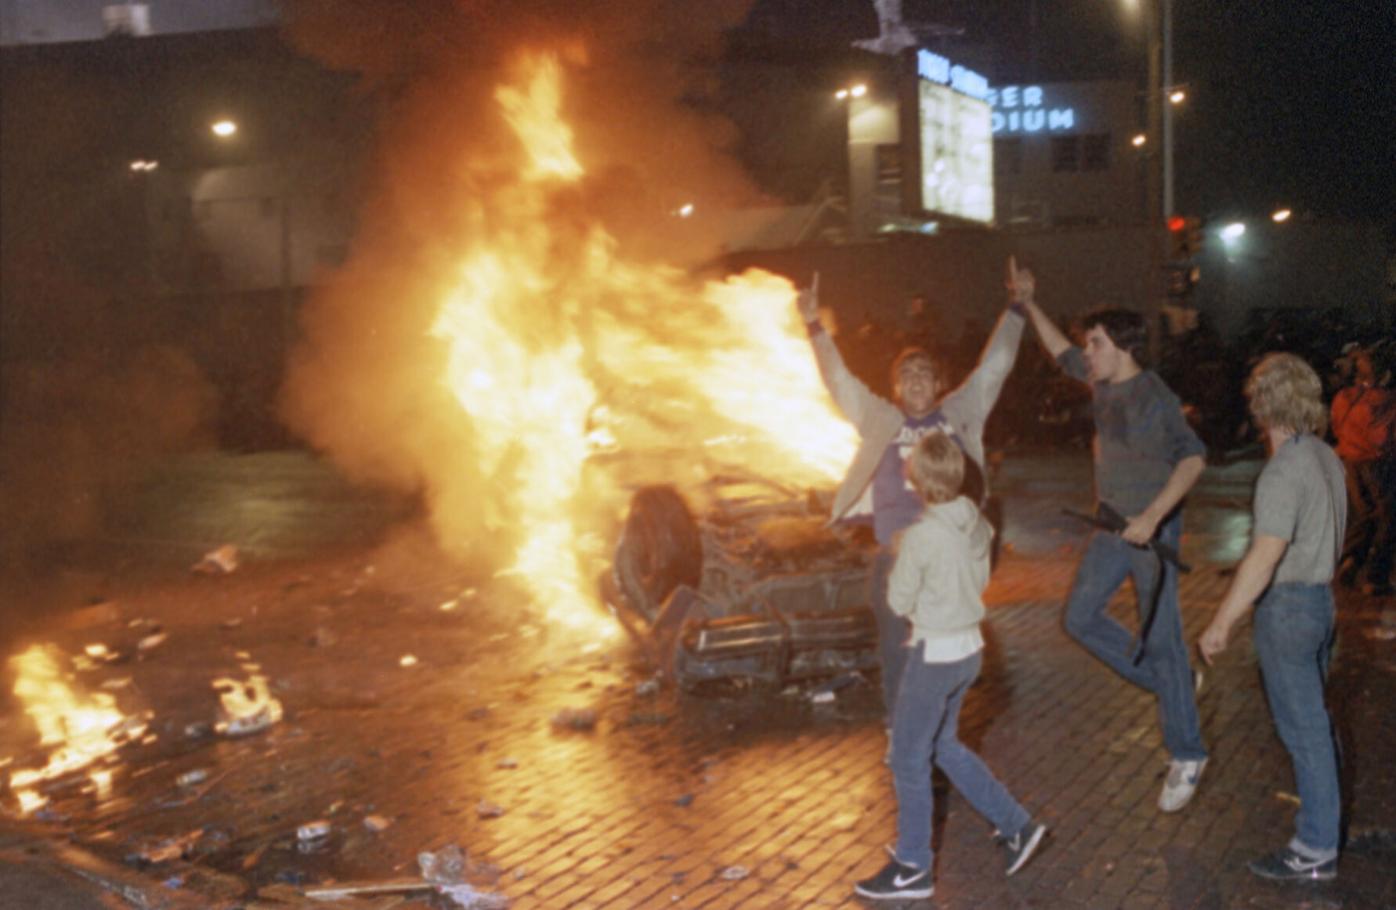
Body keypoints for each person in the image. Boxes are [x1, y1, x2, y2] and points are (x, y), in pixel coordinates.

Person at [796, 262, 1029, 723]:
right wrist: (812, 325)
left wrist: (1018, 307)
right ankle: (900, 730)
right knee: (895, 646)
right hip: (896, 552)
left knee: (941, 649)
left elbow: (995, 367)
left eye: (925, 372)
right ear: (896, 387)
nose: (917, 379)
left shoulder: (959, 413)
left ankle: (938, 730)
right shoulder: (882, 419)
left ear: (939, 383)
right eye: (907, 374)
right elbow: (840, 380)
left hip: (945, 555)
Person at [1019, 299, 1209, 812]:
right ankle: (1173, 687)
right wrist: (1030, 301)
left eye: (1096, 342)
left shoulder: (1155, 397)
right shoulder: (1100, 380)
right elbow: (1059, 349)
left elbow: (1194, 458)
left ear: (1123, 346)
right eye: (1088, 343)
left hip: (1153, 533)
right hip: (1110, 528)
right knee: (1078, 617)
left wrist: (1153, 516)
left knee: (1164, 638)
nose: (1087, 352)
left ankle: (1188, 751)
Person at [854, 432, 1046, 901]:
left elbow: (898, 600)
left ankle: (913, 866)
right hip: (969, 651)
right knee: (943, 745)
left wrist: (904, 554)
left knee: (907, 755)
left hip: (934, 654)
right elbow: (976, 575)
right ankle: (1016, 825)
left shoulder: (920, 537)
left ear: (916, 479)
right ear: (958, 475)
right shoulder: (977, 523)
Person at [1198, 353, 1346, 881]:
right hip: (1322, 605)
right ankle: (1324, 828)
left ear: (1264, 404)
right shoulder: (1328, 459)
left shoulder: (1283, 470)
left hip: (1288, 610)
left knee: (1305, 731)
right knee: (1316, 728)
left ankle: (1315, 846)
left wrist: (1222, 623)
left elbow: (1265, 555)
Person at [1330, 345, 1394, 596]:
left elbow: (1335, 426)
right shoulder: (1386, 401)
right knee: (1388, 516)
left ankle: (1351, 560)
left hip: (1350, 460)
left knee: (1365, 513)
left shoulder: (1344, 397)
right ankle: (1376, 576)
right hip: (1378, 463)